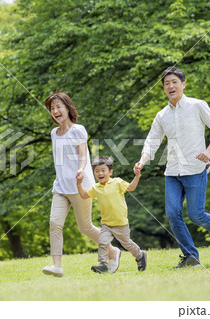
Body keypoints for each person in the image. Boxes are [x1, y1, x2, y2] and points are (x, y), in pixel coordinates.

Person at [134, 67, 210, 268]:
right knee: (173, 214)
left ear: (183, 84)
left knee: (196, 214)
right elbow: (152, 141)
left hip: (195, 169)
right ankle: (191, 256)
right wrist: (142, 161)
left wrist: (209, 151)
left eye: (174, 82)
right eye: (166, 83)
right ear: (163, 88)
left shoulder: (197, 106)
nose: (170, 86)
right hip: (172, 172)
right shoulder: (162, 115)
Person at [42, 92, 121, 277]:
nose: (55, 111)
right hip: (61, 187)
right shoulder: (54, 133)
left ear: (68, 108)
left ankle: (112, 251)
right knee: (54, 223)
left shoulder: (78, 130)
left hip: (80, 186)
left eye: (58, 107)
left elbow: (83, 155)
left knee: (85, 227)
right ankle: (57, 266)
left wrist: (80, 169)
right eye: (52, 109)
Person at [77, 156, 147, 273]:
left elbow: (131, 187)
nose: (100, 173)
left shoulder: (117, 182)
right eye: (97, 171)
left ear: (110, 172)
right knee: (103, 243)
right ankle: (103, 264)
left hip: (120, 223)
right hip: (106, 224)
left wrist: (137, 176)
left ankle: (140, 255)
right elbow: (84, 196)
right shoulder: (95, 187)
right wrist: (79, 184)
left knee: (127, 244)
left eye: (103, 170)